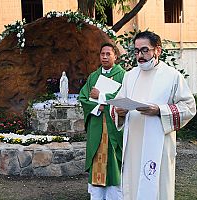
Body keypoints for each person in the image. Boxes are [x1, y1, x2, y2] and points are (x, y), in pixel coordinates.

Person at [111, 31, 196, 200]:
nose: (140, 56)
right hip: (133, 144)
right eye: (136, 51)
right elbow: (118, 103)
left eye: (144, 50)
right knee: (133, 187)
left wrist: (159, 110)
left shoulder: (172, 76)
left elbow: (189, 107)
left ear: (158, 50)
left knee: (157, 188)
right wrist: (119, 112)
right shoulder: (130, 76)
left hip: (158, 145)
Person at [79, 43, 125, 200]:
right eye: (102, 54)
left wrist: (101, 96)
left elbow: (123, 99)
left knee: (112, 158)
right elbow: (83, 97)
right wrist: (97, 107)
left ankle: (115, 196)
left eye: (108, 54)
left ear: (115, 56)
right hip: (97, 124)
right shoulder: (93, 76)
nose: (104, 57)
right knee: (97, 157)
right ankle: (97, 196)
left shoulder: (124, 76)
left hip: (114, 124)